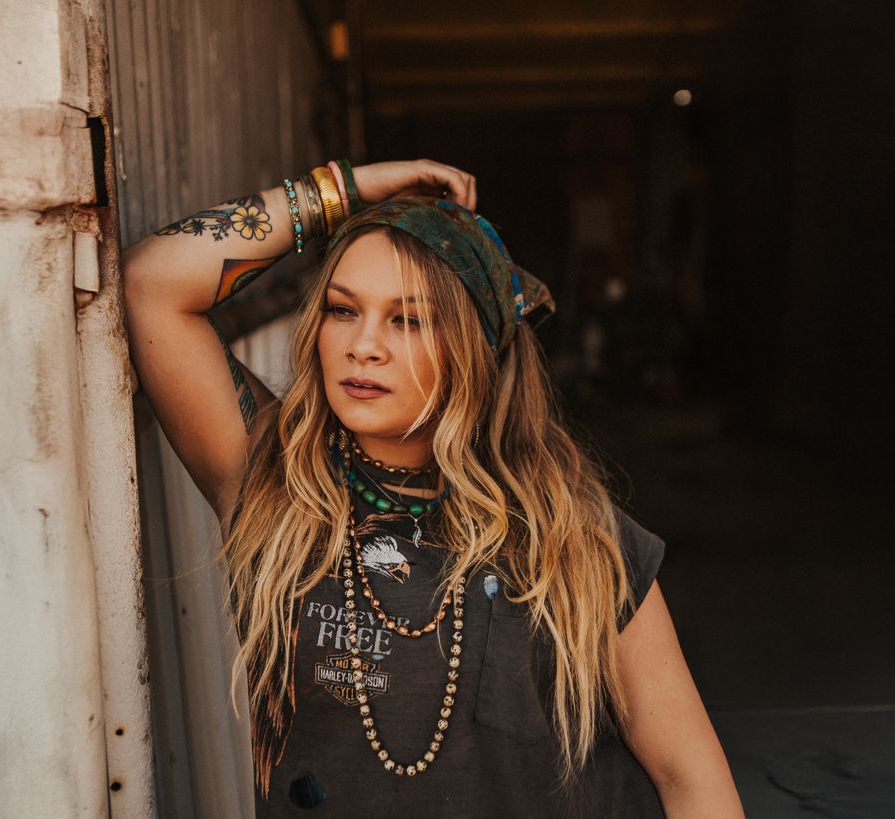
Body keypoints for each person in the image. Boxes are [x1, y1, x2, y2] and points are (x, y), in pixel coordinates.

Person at [122, 159, 744, 817]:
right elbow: (151, 283)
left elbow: (689, 776)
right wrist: (344, 190)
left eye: (409, 320)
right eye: (342, 309)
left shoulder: (573, 534)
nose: (364, 345)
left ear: (474, 345)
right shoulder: (277, 486)